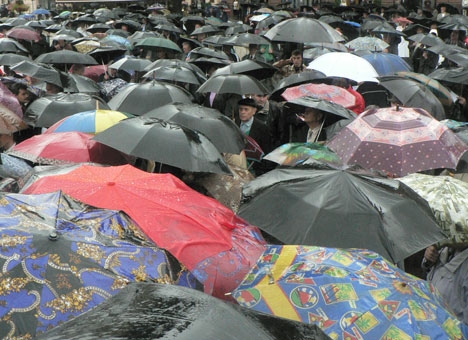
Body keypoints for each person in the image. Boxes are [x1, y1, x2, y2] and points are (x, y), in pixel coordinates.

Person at [423, 245, 468, 324]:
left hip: (452, 331)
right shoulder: (445, 249)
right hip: (431, 319)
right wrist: (428, 260)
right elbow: (431, 274)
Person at [236, 97, 272, 176]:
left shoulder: (262, 127)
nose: (242, 112)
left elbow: (265, 150)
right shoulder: (235, 124)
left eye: (246, 109)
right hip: (237, 165)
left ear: (254, 111)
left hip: (254, 168)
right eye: (240, 109)